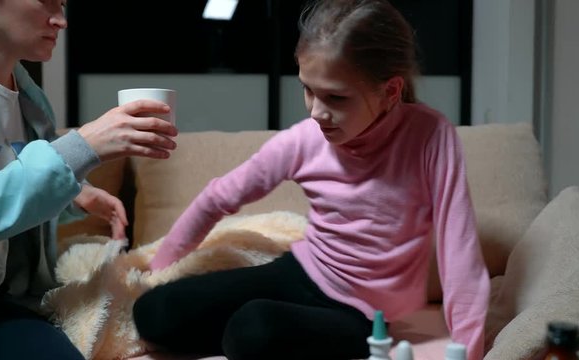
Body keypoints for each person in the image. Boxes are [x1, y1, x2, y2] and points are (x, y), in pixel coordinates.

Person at [134, 0, 489, 359]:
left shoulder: (430, 136)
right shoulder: (304, 140)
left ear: (390, 92)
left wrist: (468, 351)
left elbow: (459, 253)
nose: (317, 112)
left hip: (363, 313)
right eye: (308, 89)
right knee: (152, 311)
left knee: (252, 329)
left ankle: (246, 333)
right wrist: (155, 271)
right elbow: (218, 198)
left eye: (336, 97)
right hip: (301, 272)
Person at [0, 0, 177, 358]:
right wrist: (77, 151)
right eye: (46, 1)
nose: (61, 20)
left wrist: (75, 191)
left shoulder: (30, 101)